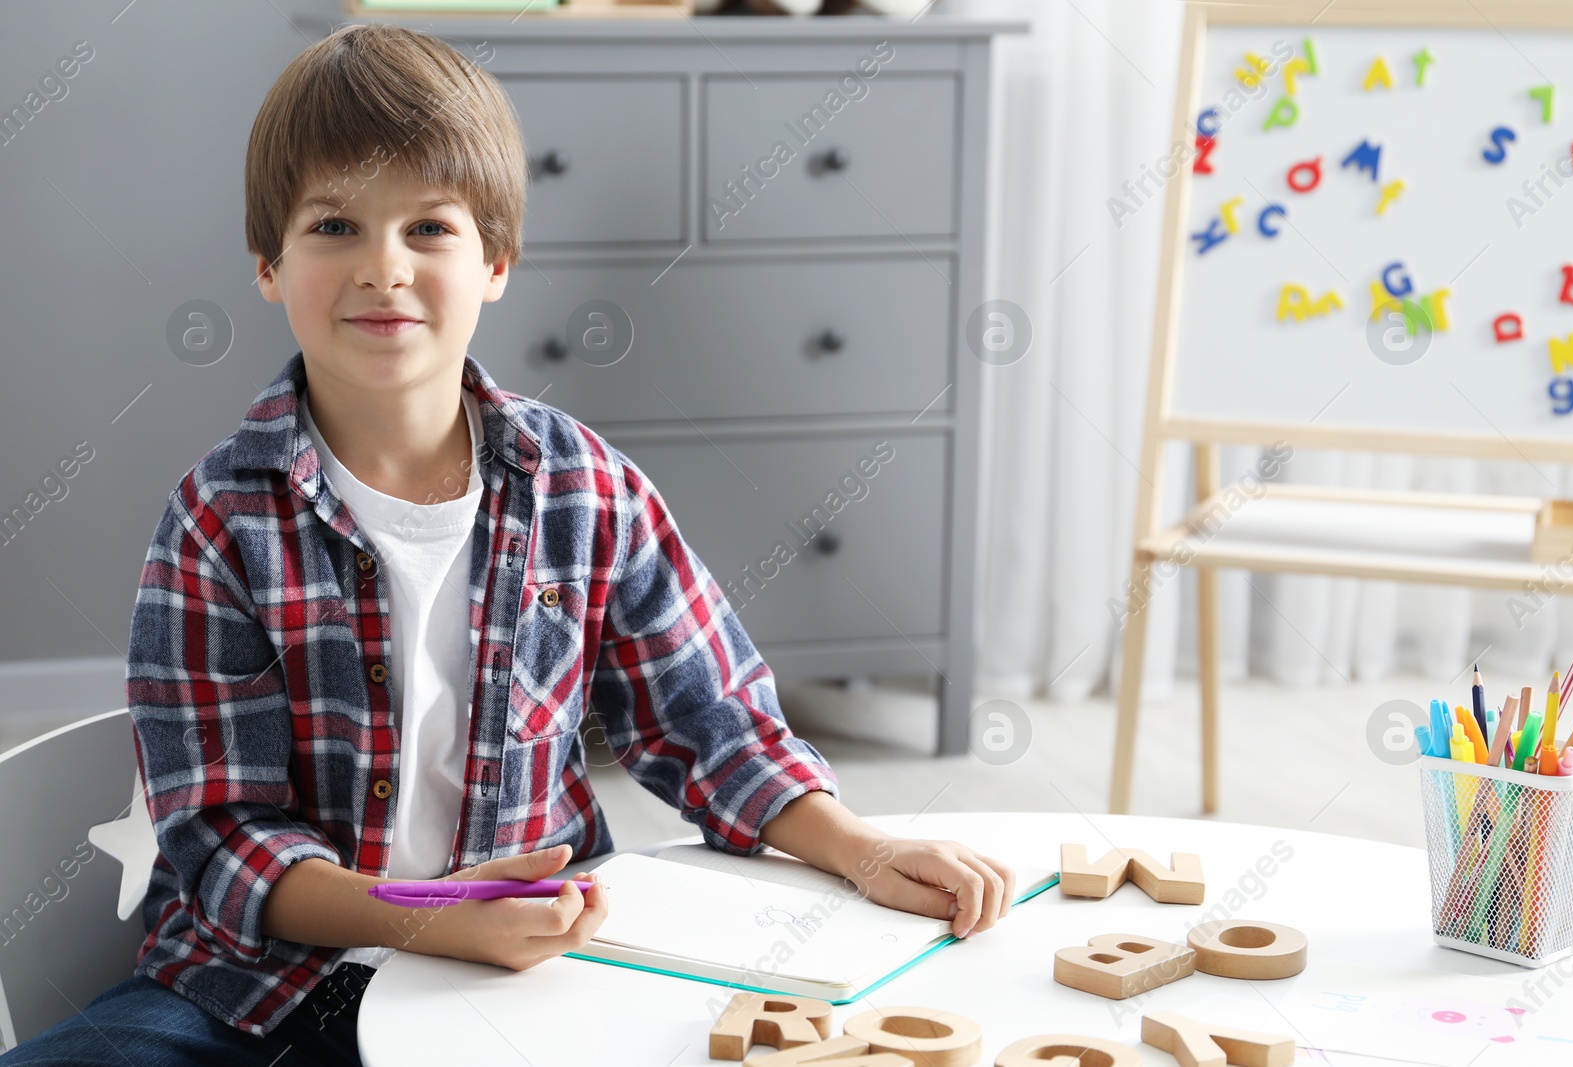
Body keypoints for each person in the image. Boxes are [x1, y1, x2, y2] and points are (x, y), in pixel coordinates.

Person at [0, 24, 1014, 1065]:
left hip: (519, 981)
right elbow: (222, 834)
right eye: (337, 225)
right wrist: (420, 912)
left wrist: (864, 846)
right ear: (269, 263)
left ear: (495, 260)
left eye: (428, 229)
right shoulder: (220, 519)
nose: (382, 269)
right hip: (250, 988)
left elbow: (712, 725)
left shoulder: (583, 488)